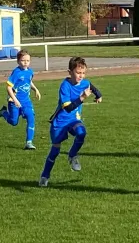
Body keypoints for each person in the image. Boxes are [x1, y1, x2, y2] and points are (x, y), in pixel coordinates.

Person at [39, 57, 102, 187]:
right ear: (70, 72)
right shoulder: (65, 86)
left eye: (83, 73)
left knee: (81, 132)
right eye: (78, 73)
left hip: (73, 119)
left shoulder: (84, 83)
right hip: (60, 121)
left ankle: (72, 155)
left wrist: (99, 95)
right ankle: (45, 175)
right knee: (55, 150)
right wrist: (82, 97)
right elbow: (68, 108)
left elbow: (93, 88)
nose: (81, 76)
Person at [0, 50, 41, 149]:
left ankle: (29, 142)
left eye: (28, 60)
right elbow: (8, 87)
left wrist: (36, 89)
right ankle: (3, 112)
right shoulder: (16, 73)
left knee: (31, 118)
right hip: (14, 101)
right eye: (23, 60)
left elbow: (29, 82)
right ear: (18, 61)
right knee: (13, 122)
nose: (25, 62)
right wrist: (15, 99)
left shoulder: (30, 71)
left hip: (26, 101)